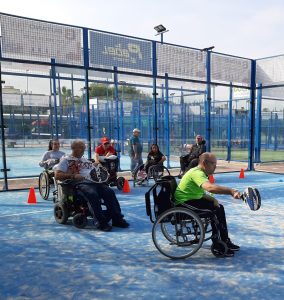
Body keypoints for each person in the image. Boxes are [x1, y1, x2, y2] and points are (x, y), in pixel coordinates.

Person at [174, 152, 241, 257]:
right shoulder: (197, 173)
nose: (215, 166)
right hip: (184, 203)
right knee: (213, 212)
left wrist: (212, 200)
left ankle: (224, 240)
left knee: (219, 207)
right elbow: (210, 188)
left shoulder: (199, 172)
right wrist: (231, 191)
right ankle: (218, 245)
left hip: (190, 199)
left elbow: (199, 193)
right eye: (213, 163)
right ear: (205, 163)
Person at [54, 140, 129, 232]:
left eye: (84, 147)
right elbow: (57, 175)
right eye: (82, 147)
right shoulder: (66, 160)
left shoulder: (86, 160)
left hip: (94, 182)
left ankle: (117, 219)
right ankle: (101, 222)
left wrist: (101, 172)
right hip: (78, 183)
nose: (84, 149)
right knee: (92, 194)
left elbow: (95, 172)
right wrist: (73, 176)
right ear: (74, 148)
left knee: (109, 192)